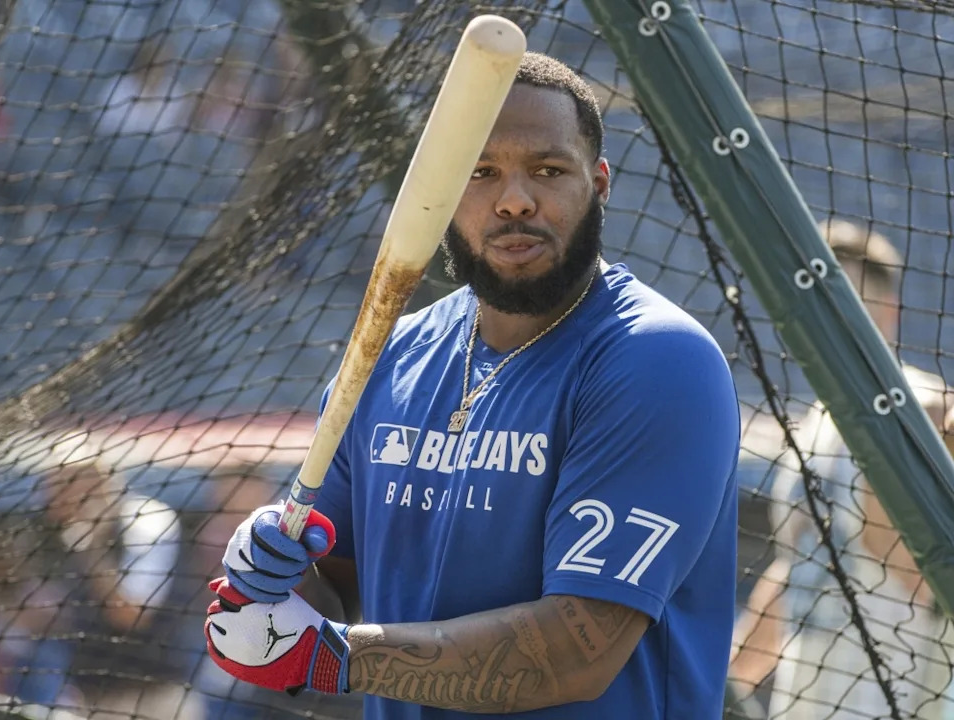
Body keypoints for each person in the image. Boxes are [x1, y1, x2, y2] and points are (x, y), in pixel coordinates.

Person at [204, 52, 741, 719]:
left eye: (547, 169)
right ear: (445, 194)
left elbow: (580, 650)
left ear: (599, 184)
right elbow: (335, 594)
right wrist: (273, 586)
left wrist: (332, 656)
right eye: (481, 172)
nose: (514, 198)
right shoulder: (388, 355)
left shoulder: (657, 360)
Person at [729, 219, 954, 718]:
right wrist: (731, 678)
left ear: (888, 313)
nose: (827, 319)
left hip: (897, 695)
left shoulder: (924, 406)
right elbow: (798, 565)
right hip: (803, 700)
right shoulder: (816, 423)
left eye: (844, 301)